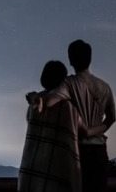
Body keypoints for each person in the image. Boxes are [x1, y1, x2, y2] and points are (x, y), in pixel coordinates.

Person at [31, 40, 116, 192]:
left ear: (70, 60)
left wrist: (35, 98)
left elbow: (49, 102)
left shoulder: (68, 83)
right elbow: (111, 119)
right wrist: (93, 131)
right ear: (90, 59)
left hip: (76, 151)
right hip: (100, 151)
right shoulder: (105, 86)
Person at [18, 60, 103, 192]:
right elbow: (84, 131)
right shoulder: (69, 107)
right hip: (59, 175)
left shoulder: (34, 106)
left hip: (33, 173)